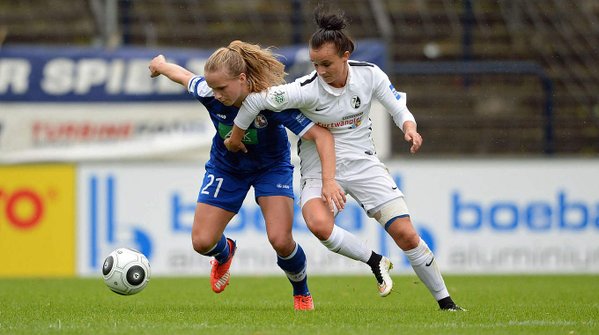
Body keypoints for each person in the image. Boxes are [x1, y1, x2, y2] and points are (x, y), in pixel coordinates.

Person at [225, 6, 464, 311]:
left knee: (405, 233)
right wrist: (235, 135)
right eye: (315, 64)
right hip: (318, 169)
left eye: (326, 64)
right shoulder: (305, 90)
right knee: (319, 225)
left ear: (346, 54)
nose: (320, 71)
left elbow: (397, 106)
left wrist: (410, 127)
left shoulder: (370, 75)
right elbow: (256, 101)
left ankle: (446, 303)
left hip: (364, 164)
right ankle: (375, 261)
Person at [148, 40, 346, 311]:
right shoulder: (209, 91)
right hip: (227, 168)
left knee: (281, 240)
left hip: (271, 168)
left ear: (242, 79)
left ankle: (301, 291)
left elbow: (318, 135)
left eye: (222, 88)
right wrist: (160, 65)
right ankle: (225, 251)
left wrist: (328, 179)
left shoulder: (272, 101)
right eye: (212, 87)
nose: (216, 94)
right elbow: (182, 76)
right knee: (202, 242)